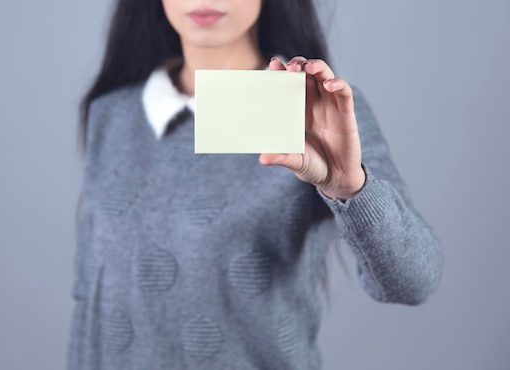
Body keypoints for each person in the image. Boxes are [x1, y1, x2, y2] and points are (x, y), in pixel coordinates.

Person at [69, 0, 443, 369]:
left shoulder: (317, 110)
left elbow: (414, 282)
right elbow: (91, 306)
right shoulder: (113, 114)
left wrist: (350, 187)